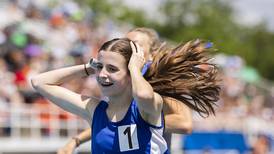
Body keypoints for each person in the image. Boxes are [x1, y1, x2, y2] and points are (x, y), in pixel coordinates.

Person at [31, 37, 220, 153]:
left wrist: (135, 69)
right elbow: (39, 82)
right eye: (101, 67)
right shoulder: (94, 109)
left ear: (131, 74)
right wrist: (89, 68)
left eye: (112, 69)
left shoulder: (147, 109)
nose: (103, 74)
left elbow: (144, 95)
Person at [58, 27, 193, 154]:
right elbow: (113, 121)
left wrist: (143, 121)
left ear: (153, 53)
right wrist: (77, 140)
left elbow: (184, 123)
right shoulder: (119, 80)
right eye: (125, 43)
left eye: (135, 45)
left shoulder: (164, 81)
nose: (129, 49)